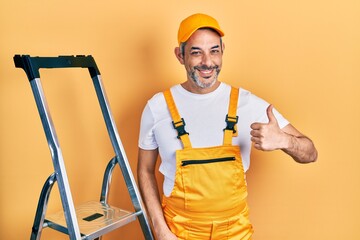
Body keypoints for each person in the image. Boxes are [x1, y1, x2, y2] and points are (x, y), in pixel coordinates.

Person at [137, 13, 317, 240]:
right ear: (180, 55)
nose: (207, 61)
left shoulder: (248, 103)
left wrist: (284, 140)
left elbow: (310, 153)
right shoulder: (157, 108)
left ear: (223, 51)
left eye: (214, 51)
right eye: (196, 52)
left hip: (236, 234)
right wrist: (160, 230)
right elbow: (144, 170)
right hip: (178, 233)